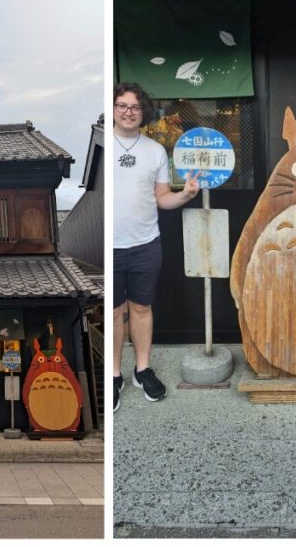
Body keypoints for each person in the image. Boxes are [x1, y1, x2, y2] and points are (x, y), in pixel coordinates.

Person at [113, 82, 200, 412]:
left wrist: (186, 194)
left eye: (135, 107)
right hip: (112, 246)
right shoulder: (104, 145)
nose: (128, 111)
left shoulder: (154, 151)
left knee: (141, 308)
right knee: (114, 312)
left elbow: (162, 198)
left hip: (146, 243)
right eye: (122, 105)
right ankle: (115, 375)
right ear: (114, 108)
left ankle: (142, 369)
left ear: (143, 111)